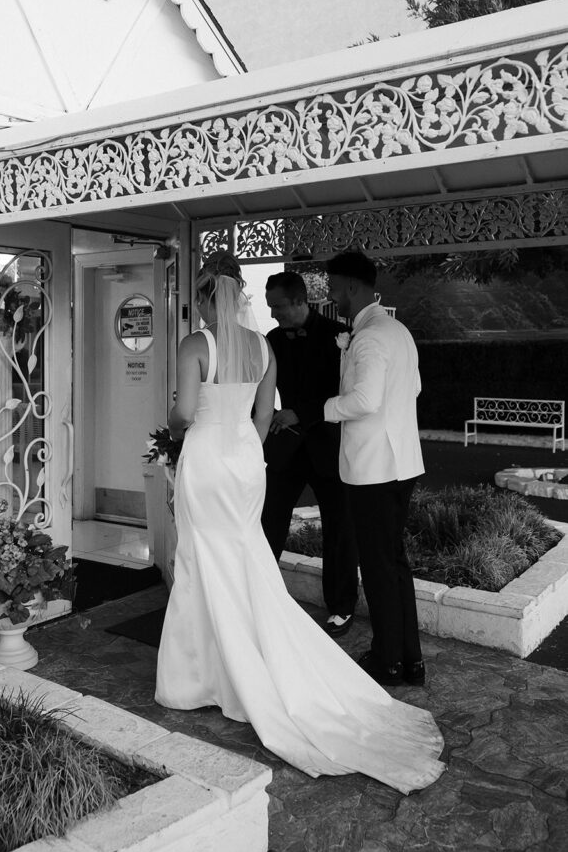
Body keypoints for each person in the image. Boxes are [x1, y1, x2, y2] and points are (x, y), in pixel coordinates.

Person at [155, 251, 445, 793]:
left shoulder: (198, 344)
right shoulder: (265, 345)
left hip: (237, 458)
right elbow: (265, 414)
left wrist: (180, 431)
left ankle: (206, 672)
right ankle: (390, 658)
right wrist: (245, 447)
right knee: (249, 553)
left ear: (204, 298)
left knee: (205, 557)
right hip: (250, 458)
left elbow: (185, 413)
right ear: (240, 296)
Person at [323, 251, 426, 688]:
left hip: (373, 469)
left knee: (379, 567)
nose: (331, 296)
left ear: (351, 286)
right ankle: (409, 659)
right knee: (394, 563)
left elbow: (365, 401)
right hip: (402, 464)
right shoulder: (398, 331)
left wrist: (325, 408)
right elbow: (414, 387)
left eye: (332, 287)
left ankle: (387, 662)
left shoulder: (367, 338)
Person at [261, 271, 357, 636]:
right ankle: (259, 597)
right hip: (285, 445)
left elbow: (345, 392)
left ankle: (342, 607)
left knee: (339, 527)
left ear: (300, 301)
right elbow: (260, 388)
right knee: (267, 521)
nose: (273, 314)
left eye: (278, 306)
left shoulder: (338, 335)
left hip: (328, 445)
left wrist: (300, 412)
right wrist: (268, 416)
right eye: (270, 307)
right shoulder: (272, 339)